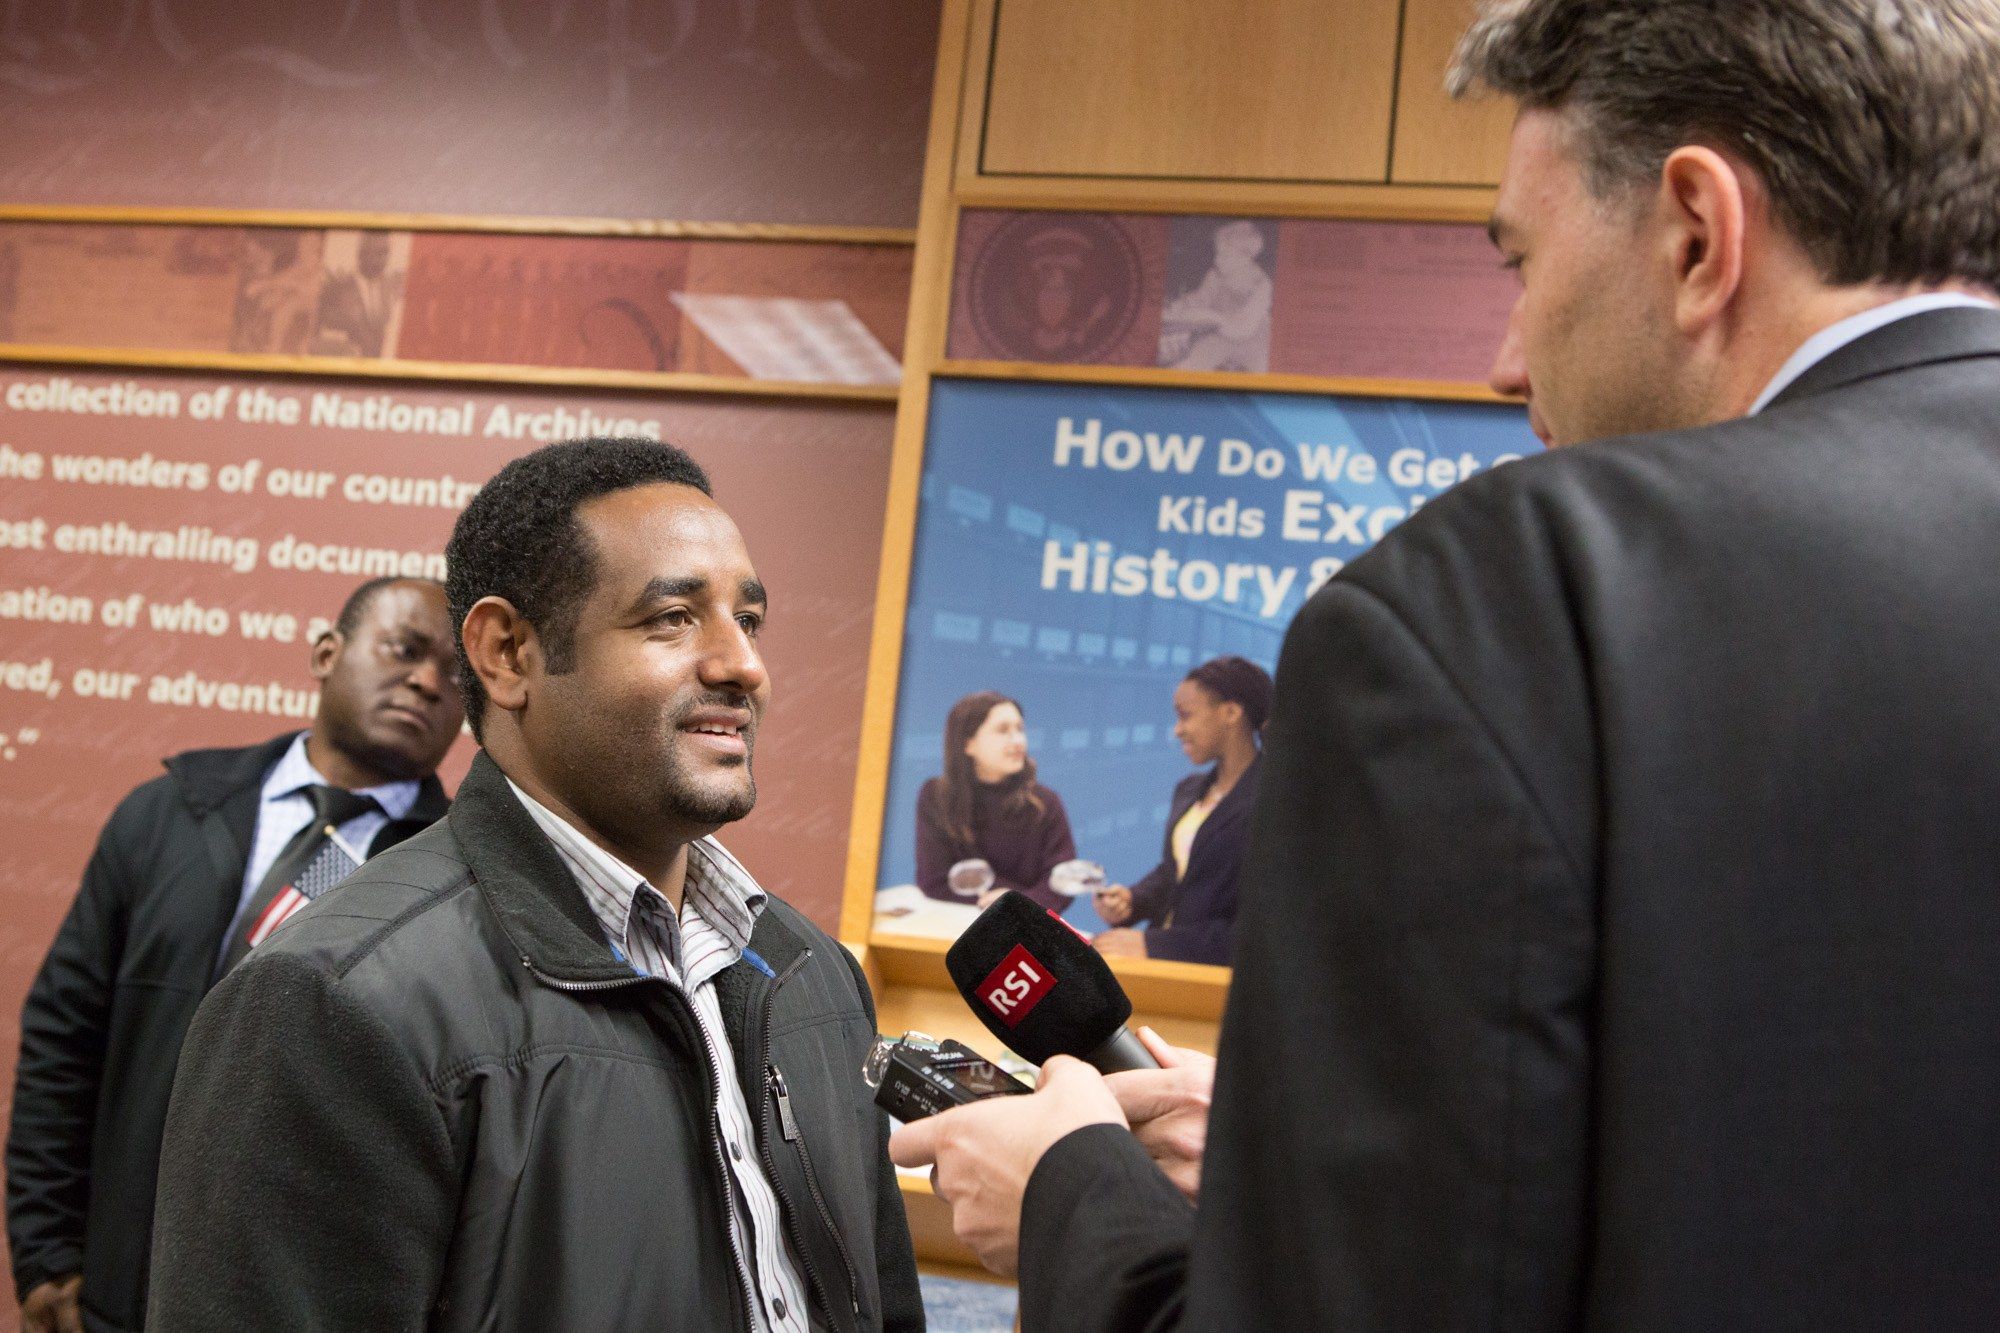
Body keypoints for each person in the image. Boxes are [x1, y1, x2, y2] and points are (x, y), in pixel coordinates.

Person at [891, 1, 2000, 1328]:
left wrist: (1077, 1192)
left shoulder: (1506, 601)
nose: (1503, 358)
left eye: (1522, 265)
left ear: (1699, 232)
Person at [147, 438, 923, 1330]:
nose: (741, 663)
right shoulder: (335, 1001)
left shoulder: (812, 978)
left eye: (747, 620)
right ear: (507, 652)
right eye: (673, 617)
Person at [6, 576, 461, 1333]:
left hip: (301, 1299)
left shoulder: (456, 876)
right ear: (326, 651)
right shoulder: (166, 813)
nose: (427, 681)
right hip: (118, 1285)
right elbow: (64, 1037)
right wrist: (47, 1251)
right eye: (405, 650)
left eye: (455, 675)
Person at [1093, 656, 1272, 965]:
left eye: (1186, 716)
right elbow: (1175, 873)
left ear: (1231, 712)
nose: (1178, 730)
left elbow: (1260, 928)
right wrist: (1133, 900)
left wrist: (1157, 945)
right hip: (1161, 969)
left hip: (1211, 982)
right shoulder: (1189, 789)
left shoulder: (1274, 801)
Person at [914, 691, 1076, 911]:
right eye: (1003, 730)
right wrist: (997, 900)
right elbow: (934, 880)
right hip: (958, 924)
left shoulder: (1045, 803)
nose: (1018, 740)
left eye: (1020, 729)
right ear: (968, 744)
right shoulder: (935, 796)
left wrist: (1018, 901)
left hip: (1024, 926)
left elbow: (1063, 883)